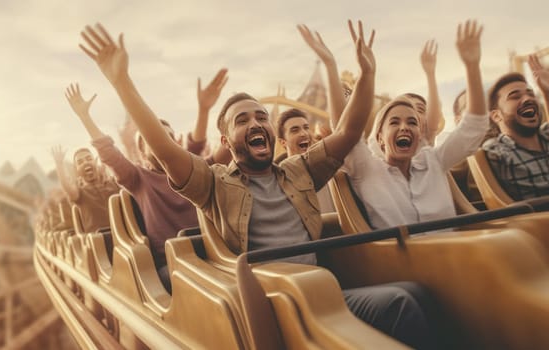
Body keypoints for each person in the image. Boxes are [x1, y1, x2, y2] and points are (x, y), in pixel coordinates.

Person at [78, 20, 435, 348]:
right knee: (400, 303)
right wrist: (122, 83)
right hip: (278, 302)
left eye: (262, 116)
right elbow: (166, 149)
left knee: (416, 291)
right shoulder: (214, 183)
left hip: (321, 290)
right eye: (242, 120)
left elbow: (348, 131)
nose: (256, 123)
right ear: (226, 138)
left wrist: (367, 74)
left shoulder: (298, 170)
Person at [63, 68, 228, 291]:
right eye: (155, 137)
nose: (164, 140)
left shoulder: (192, 171)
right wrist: (85, 117)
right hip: (174, 265)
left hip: (215, 252)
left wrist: (204, 110)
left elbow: (217, 151)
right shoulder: (139, 179)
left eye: (169, 137)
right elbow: (109, 153)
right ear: (142, 150)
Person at [341, 20, 488, 230]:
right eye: (394, 122)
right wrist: (366, 75)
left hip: (454, 251)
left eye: (412, 122)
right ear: (380, 137)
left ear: (420, 135)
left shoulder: (433, 161)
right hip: (404, 260)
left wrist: (472, 66)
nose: (404, 127)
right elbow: (346, 133)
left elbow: (473, 128)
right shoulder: (369, 169)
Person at [482, 54, 549, 200]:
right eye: (515, 96)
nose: (528, 99)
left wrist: (547, 91)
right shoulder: (498, 152)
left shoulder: (546, 135)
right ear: (496, 116)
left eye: (531, 94)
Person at [52, 145, 119, 233]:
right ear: (77, 170)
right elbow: (67, 186)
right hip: (99, 240)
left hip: (125, 234)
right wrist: (59, 164)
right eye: (80, 162)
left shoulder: (113, 183)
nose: (85, 163)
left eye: (89, 159)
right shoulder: (79, 192)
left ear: (95, 162)